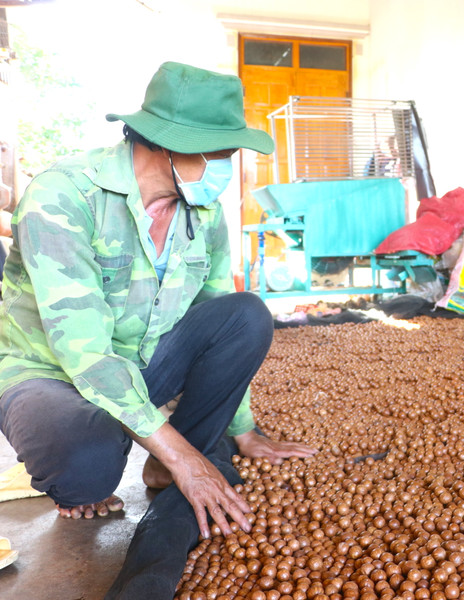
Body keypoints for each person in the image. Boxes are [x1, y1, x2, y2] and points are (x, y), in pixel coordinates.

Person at [0, 61, 317, 540]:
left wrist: (244, 430)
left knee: (246, 314)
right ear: (171, 142)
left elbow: (220, 310)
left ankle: (161, 466)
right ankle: (147, 454)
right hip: (49, 374)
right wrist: (187, 459)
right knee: (86, 469)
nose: (228, 165)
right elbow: (84, 354)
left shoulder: (204, 212)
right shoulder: (63, 196)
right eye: (220, 151)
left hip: (139, 363)